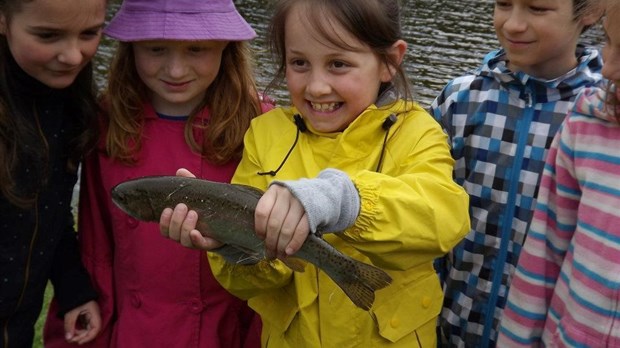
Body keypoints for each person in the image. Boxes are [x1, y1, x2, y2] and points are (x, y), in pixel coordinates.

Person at [160, 0, 471, 346]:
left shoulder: (415, 132)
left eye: (338, 64)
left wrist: (346, 200)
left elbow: (444, 217)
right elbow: (256, 283)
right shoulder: (265, 136)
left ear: (389, 62)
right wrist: (232, 245)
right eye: (299, 63)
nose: (317, 87)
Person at [42, 0, 271, 347]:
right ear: (130, 46)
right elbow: (97, 249)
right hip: (135, 333)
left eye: (196, 48)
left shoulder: (264, 128)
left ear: (227, 46)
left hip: (227, 333)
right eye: (156, 48)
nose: (175, 70)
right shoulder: (107, 124)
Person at [429, 0, 605, 346]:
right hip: (448, 328)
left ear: (590, 11)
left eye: (537, 9)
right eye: (503, 4)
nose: (512, 24)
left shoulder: (600, 117)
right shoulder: (459, 101)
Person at [497, 0, 620, 345]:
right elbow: (545, 252)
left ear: (590, 12)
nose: (608, 67)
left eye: (537, 8)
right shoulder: (591, 125)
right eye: (610, 43)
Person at [0, 0, 106, 346]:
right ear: (3, 20)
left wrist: (73, 287)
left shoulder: (71, 105)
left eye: (89, 33)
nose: (74, 56)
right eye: (48, 35)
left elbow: (49, 213)